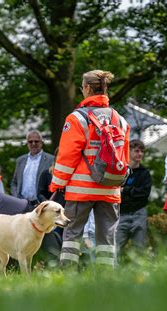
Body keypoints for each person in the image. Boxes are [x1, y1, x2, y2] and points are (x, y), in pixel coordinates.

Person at [49, 70, 130, 268]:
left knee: (72, 234)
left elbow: (67, 156)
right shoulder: (119, 119)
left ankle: (66, 276)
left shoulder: (76, 118)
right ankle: (106, 278)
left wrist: (57, 185)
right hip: (110, 188)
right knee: (107, 238)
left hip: (80, 189)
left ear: (86, 88)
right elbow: (124, 156)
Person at [117, 140, 152, 260]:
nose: (140, 154)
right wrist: (133, 191)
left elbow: (144, 194)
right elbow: (115, 191)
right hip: (121, 214)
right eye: (137, 151)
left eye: (142, 151)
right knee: (115, 247)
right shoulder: (120, 171)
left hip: (139, 213)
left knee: (139, 249)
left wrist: (125, 190)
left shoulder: (145, 173)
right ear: (129, 151)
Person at [11, 130, 54, 207]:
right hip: (22, 204)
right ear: (27, 143)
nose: (33, 144)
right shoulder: (20, 160)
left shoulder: (50, 160)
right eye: (30, 142)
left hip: (41, 204)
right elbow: (14, 182)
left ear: (41, 142)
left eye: (36, 141)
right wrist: (16, 197)